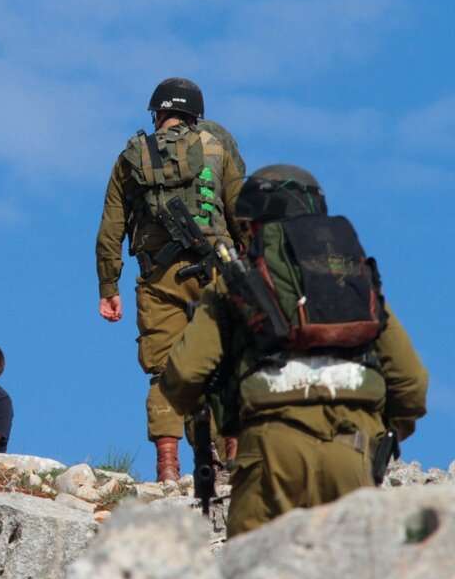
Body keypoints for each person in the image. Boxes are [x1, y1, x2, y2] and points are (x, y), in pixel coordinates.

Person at [161, 165, 427, 536]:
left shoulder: (235, 284)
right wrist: (377, 434)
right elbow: (411, 384)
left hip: (268, 456)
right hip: (352, 455)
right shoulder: (357, 284)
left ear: (253, 225)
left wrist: (217, 413)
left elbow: (184, 375)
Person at [94, 77, 244, 481]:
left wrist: (109, 288)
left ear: (157, 114)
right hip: (217, 269)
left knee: (165, 371)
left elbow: (111, 229)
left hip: (159, 277)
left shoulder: (131, 157)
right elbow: (240, 212)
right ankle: (230, 453)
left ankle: (168, 467)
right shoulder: (217, 146)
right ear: (196, 116)